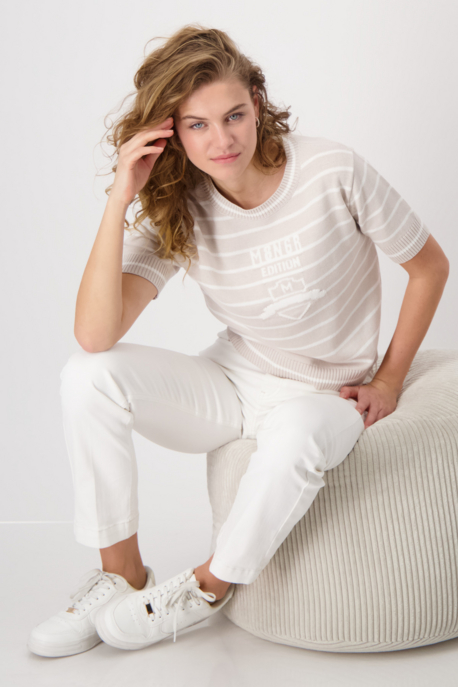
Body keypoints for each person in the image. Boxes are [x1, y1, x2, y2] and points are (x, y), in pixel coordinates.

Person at [28, 24, 449, 657]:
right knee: (87, 377)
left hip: (325, 393)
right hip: (233, 382)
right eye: (197, 125)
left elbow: (430, 266)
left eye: (233, 116)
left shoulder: (331, 170)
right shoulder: (182, 204)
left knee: (297, 441)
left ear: (257, 102)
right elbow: (95, 334)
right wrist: (120, 197)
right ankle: (122, 573)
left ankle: (206, 588)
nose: (221, 140)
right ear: (171, 132)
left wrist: (389, 379)